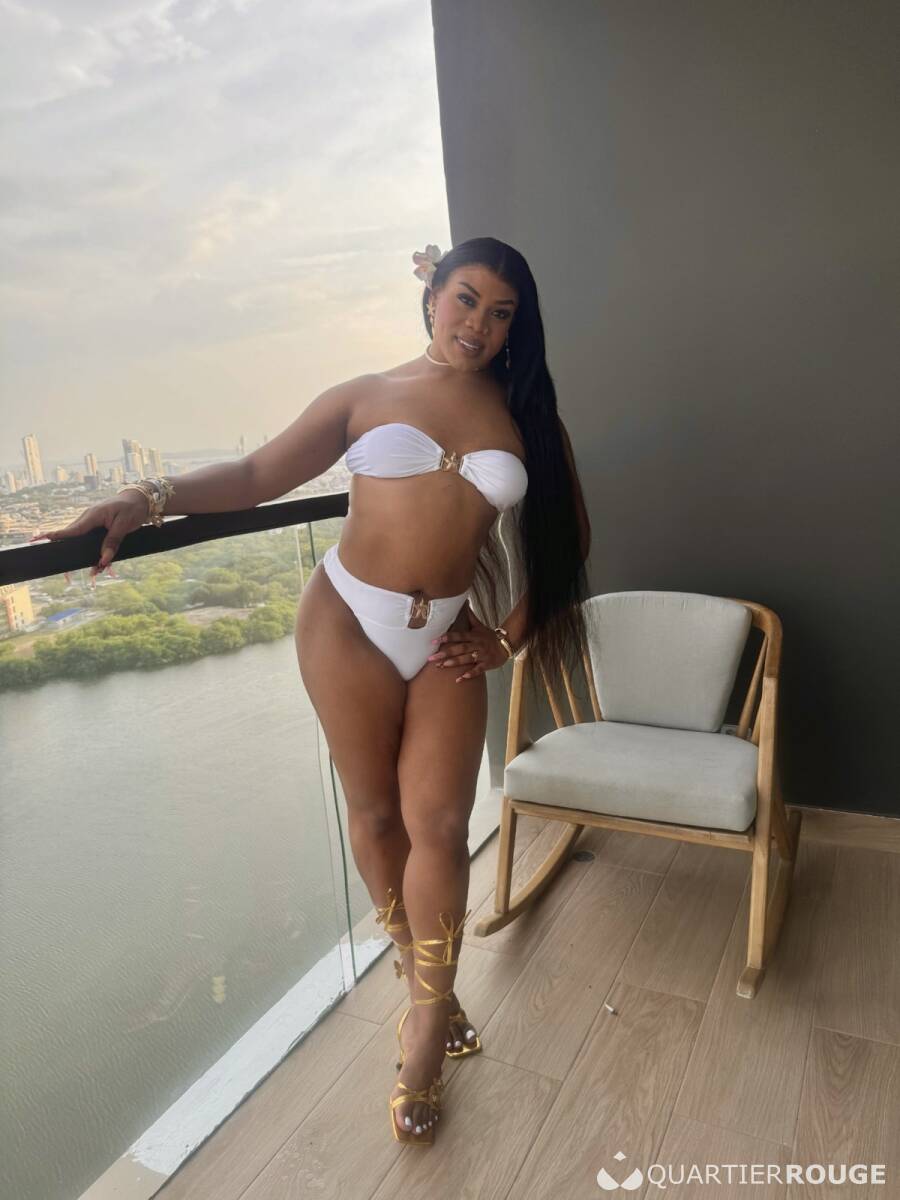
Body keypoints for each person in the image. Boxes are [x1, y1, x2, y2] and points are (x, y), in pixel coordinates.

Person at [36, 236, 592, 1146]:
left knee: (440, 825)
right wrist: (148, 497)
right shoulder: (364, 395)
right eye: (465, 299)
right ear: (432, 295)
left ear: (515, 329)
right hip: (346, 623)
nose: (478, 325)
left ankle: (425, 1023)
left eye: (501, 314)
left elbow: (570, 535)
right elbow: (257, 476)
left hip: (448, 634)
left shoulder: (527, 413)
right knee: (374, 816)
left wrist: (506, 637)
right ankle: (426, 984)